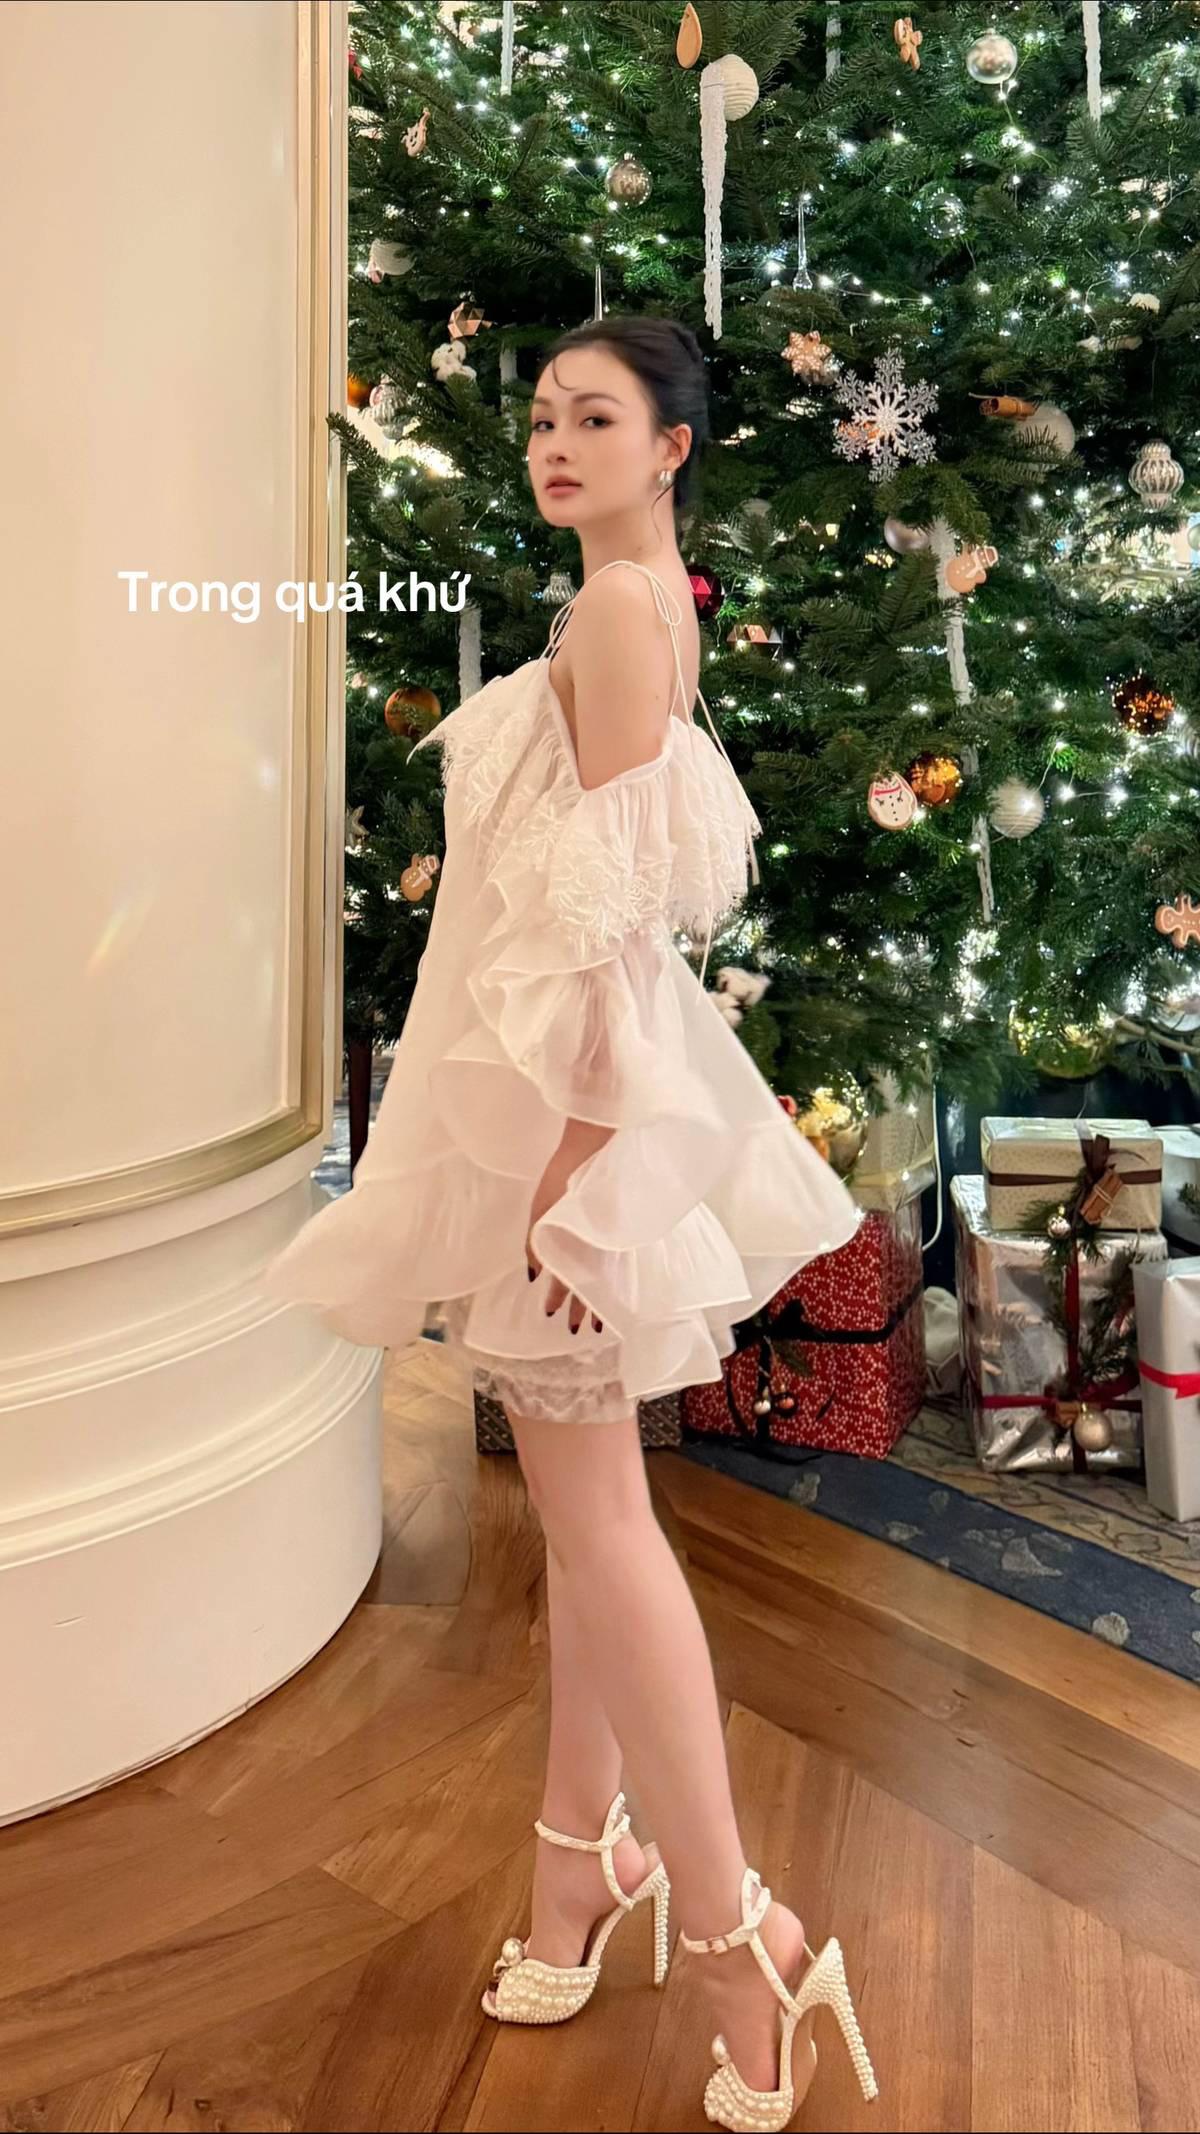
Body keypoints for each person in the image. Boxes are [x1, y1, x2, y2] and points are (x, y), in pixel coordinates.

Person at [263, 315, 876, 2130]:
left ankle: (738, 1934)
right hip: (556, 1103)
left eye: (594, 417)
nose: (553, 441)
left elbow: (611, 927)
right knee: (594, 1522)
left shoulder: (620, 611)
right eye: (542, 416)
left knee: (602, 1529)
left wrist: (573, 1173)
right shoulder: (630, 600)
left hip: (565, 1119)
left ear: (671, 445)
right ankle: (573, 1860)